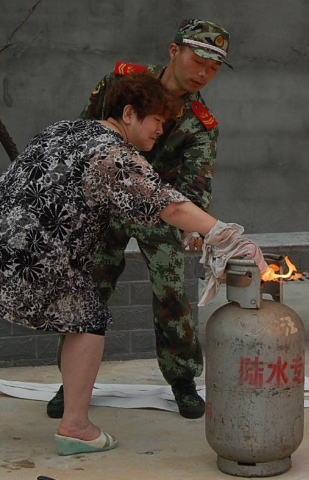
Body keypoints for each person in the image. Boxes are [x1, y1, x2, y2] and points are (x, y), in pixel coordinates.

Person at [0, 73, 266, 455]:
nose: (162, 128)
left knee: (85, 311)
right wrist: (226, 235)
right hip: (32, 255)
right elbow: (167, 204)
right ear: (128, 114)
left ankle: (75, 422)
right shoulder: (111, 155)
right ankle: (75, 426)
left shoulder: (64, 128)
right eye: (156, 119)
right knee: (87, 316)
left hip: (8, 238)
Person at [47, 19, 231, 420]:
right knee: (89, 291)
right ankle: (71, 382)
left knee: (171, 294)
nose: (203, 73)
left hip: (157, 209)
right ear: (173, 51)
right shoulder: (121, 84)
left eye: (213, 68)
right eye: (198, 60)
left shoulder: (200, 124)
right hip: (104, 205)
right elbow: (84, 134)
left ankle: (182, 380)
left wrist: (193, 226)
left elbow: (196, 180)